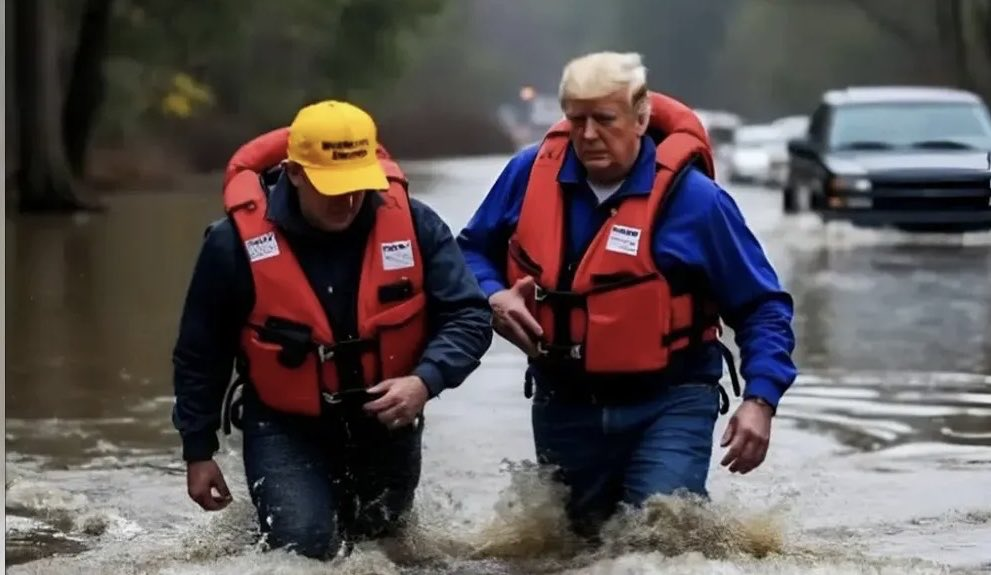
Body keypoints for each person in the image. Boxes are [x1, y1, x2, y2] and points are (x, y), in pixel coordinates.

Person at [457, 52, 797, 537]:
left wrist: (760, 400)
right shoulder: (529, 174)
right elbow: (469, 253)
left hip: (672, 399)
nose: (589, 134)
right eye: (577, 119)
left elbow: (762, 306)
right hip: (565, 401)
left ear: (640, 118)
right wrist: (493, 296)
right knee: (576, 549)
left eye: (604, 119)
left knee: (659, 539)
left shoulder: (697, 202)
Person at [171, 100, 493, 559]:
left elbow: (469, 315)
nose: (347, 200)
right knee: (303, 548)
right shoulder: (232, 244)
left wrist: (425, 381)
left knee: (383, 554)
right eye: (332, 187)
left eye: (358, 186)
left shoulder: (415, 223)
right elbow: (200, 352)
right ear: (294, 173)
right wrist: (198, 451)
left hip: (386, 426)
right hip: (286, 426)